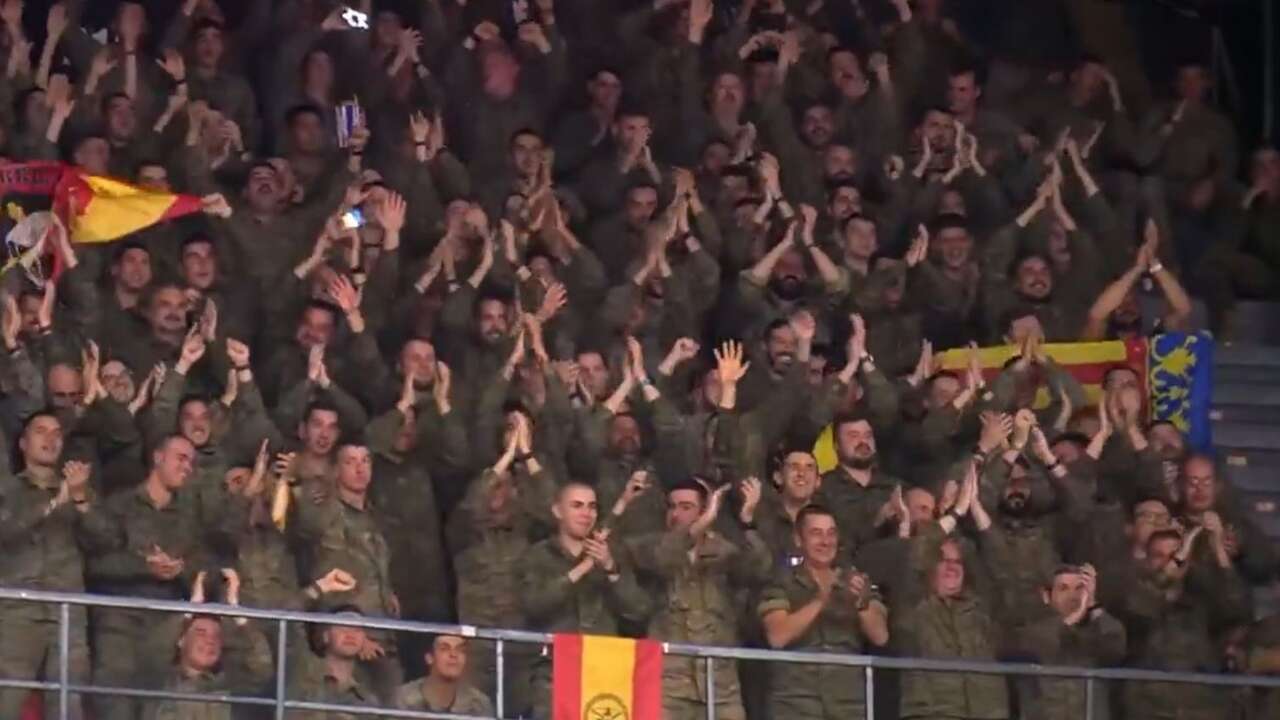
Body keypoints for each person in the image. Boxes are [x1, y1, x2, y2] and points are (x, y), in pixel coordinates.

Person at [624, 478, 773, 720]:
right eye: (672, 507)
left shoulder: (725, 553)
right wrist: (697, 527)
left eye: (686, 507)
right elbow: (660, 560)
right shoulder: (651, 547)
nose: (675, 514)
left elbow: (759, 570)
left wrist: (747, 521)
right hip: (667, 685)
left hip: (721, 685)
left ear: (705, 511)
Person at [520, 482, 650, 718]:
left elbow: (638, 611)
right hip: (553, 672)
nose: (586, 513)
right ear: (558, 511)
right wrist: (582, 569)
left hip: (604, 672)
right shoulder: (537, 555)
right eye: (577, 506)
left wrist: (611, 569)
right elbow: (534, 605)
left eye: (592, 507)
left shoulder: (612, 555)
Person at [757, 505, 890, 719]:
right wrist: (822, 598)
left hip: (848, 705)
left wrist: (862, 604)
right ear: (799, 540)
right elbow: (777, 636)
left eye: (831, 533)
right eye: (816, 533)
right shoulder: (780, 581)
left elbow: (881, 636)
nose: (825, 542)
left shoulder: (856, 581)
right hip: (795, 704)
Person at [393, 634, 494, 715]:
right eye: (444, 648)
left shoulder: (479, 705)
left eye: (460, 650)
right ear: (429, 657)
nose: (454, 654)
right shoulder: (401, 700)